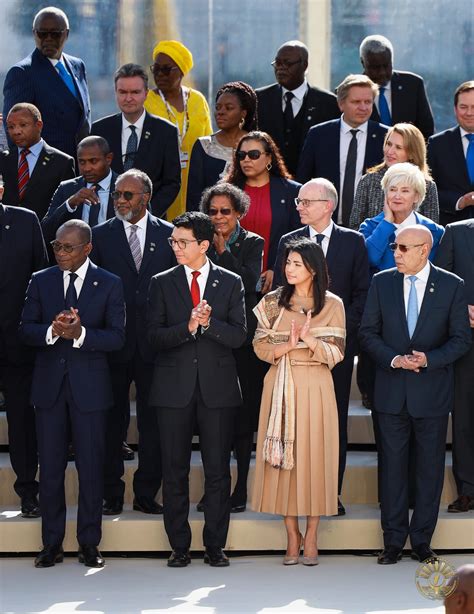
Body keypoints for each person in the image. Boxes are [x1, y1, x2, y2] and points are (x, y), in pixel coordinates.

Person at [359, 225, 471, 565]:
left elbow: (461, 339)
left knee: (429, 470)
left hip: (432, 394)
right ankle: (392, 541)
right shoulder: (382, 282)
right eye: (395, 246)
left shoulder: (452, 285)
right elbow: (367, 332)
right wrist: (394, 359)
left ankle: (422, 540)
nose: (396, 253)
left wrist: (429, 359)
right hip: (391, 393)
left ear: (425, 249)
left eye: (404, 248)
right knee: (391, 470)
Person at [19, 219, 125, 569]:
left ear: (87, 248)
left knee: (91, 469)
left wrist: (81, 334)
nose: (60, 253)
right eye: (57, 246)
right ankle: (51, 544)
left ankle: (89, 544)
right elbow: (25, 329)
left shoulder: (109, 284)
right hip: (49, 390)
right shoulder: (41, 280)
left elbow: (116, 338)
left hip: (90, 391)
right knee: (49, 470)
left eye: (68, 248)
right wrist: (51, 332)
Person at [147, 212, 246, 568]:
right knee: (174, 470)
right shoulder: (161, 282)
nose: (175, 247)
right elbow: (153, 337)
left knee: (218, 470)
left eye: (182, 242)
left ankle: (215, 546)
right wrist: (187, 327)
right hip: (173, 389)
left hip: (217, 390)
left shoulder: (231, 281)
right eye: (174, 241)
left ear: (204, 245)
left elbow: (238, 336)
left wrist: (210, 324)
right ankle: (179, 546)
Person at [273, 179, 369, 513]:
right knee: (295, 424)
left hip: (334, 353)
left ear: (327, 205)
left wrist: (338, 334)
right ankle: (295, 493)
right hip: (293, 353)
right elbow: (278, 298)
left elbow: (361, 294)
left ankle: (331, 493)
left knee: (333, 423)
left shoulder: (353, 242)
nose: (299, 206)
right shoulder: (288, 242)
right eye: (298, 201)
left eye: (306, 201)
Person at [252, 237, 345, 565]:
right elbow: (260, 347)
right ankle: (292, 536)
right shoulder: (273, 301)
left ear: (313, 270)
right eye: (287, 263)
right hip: (279, 382)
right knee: (282, 464)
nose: (289, 269)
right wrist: (289, 346)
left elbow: (336, 353)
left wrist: (308, 339)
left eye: (296, 264)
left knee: (315, 458)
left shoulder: (333, 303)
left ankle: (313, 535)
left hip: (317, 386)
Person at [90, 169, 175, 516]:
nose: (120, 200)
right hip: (112, 344)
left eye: (128, 195)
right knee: (111, 421)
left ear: (146, 197)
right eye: (117, 195)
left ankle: (145, 492)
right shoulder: (99, 235)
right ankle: (111, 492)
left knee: (154, 422)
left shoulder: (170, 235)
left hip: (155, 345)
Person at [199, 182, 264, 512]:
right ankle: (214, 487)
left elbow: (249, 282)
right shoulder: (200, 242)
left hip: (243, 341)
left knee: (241, 418)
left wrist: (223, 251)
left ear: (239, 212)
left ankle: (239, 488)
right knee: (212, 419)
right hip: (209, 340)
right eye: (212, 211)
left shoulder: (253, 243)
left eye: (226, 211)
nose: (219, 216)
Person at [0, 195, 48, 519]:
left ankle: (28, 492)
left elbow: (42, 280)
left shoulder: (25, 220)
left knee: (22, 422)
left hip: (16, 345)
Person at [91, 63, 181, 218]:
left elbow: (172, 183)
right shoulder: (99, 130)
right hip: (107, 220)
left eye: (135, 92)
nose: (128, 98)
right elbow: (92, 177)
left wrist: (145, 214)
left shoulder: (166, 131)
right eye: (123, 92)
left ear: (146, 93)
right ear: (116, 93)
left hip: (149, 221)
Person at [297, 74, 387, 227]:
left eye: (368, 102)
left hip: (372, 228)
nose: (363, 107)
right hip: (324, 225)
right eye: (356, 102)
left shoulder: (385, 137)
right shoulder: (319, 134)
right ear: (341, 104)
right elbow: (303, 179)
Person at [3, 6, 91, 159]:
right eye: (42, 34)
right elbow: (13, 131)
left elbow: (82, 120)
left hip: (81, 167)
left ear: (67, 34)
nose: (48, 39)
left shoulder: (78, 66)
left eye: (55, 34)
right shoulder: (22, 73)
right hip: (45, 170)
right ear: (34, 34)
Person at [224, 130, 301, 294]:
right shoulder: (226, 192)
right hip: (232, 280)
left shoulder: (291, 192)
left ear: (269, 158)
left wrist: (278, 268)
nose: (246, 160)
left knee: (270, 320)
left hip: (276, 282)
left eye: (253, 154)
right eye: (241, 155)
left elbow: (298, 236)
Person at [145, 41, 212, 219]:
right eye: (156, 69)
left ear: (181, 71)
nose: (160, 74)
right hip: (161, 183)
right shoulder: (146, 100)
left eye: (166, 69)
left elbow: (209, 143)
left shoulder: (197, 100)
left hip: (195, 178)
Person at [435, 220, 474, 512]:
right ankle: (468, 489)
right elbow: (438, 285)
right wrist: (461, 311)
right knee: (464, 415)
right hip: (465, 342)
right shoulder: (457, 232)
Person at [256, 40, 340, 175]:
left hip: (311, 185)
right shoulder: (259, 99)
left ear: (304, 65)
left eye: (288, 63)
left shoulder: (328, 103)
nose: (281, 68)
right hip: (269, 183)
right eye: (277, 63)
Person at [350, 123, 439, 229]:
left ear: (412, 153)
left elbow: (431, 231)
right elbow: (355, 228)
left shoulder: (428, 185)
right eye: (388, 144)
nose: (390, 151)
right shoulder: (368, 181)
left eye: (398, 147)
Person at [359, 162, 444, 272]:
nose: (397, 196)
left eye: (405, 191)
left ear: (416, 197)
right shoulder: (369, 226)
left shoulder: (435, 231)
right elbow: (370, 259)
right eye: (392, 189)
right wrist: (387, 223)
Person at [187, 81, 258, 210]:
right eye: (218, 107)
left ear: (243, 113)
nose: (220, 112)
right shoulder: (204, 145)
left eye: (229, 108)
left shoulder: (257, 145)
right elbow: (194, 197)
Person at [0, 103, 75, 219]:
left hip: (45, 234)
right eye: (11, 127)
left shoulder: (62, 162)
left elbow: (66, 209)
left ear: (39, 125)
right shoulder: (3, 160)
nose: (16, 131)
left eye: (23, 125)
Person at [42, 136, 116, 243]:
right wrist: (70, 204)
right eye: (82, 162)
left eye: (93, 161)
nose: (87, 168)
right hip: (75, 257)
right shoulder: (67, 188)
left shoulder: (125, 186)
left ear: (108, 159)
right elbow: (45, 232)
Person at [359, 35, 434, 139]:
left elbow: (427, 132)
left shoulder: (413, 85)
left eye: (386, 66)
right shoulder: (349, 92)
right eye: (375, 67)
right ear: (363, 62)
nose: (382, 72)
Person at [427, 81, 474, 226]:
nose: (469, 113)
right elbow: (427, 189)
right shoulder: (437, 144)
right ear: (455, 109)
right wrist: (460, 201)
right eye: (463, 107)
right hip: (450, 231)